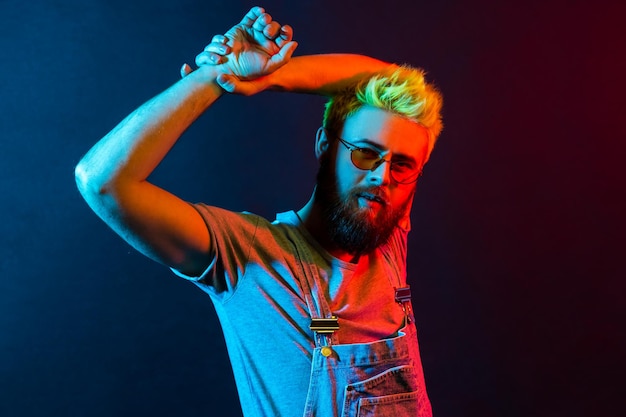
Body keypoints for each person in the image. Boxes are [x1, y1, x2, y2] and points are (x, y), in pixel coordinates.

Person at [75, 6, 442, 417]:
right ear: (325, 145)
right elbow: (103, 182)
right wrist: (221, 77)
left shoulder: (388, 245)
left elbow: (395, 79)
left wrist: (274, 76)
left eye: (402, 165)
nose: (382, 176)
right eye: (365, 154)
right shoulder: (247, 256)